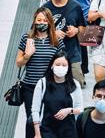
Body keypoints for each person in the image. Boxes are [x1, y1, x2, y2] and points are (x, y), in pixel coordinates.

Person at [16, 7, 65, 138]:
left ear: (49, 22)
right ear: (34, 21)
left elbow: (63, 61)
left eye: (45, 20)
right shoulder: (27, 38)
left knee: (48, 117)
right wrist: (27, 55)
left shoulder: (56, 41)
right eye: (39, 20)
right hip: (30, 86)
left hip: (49, 87)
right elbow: (18, 63)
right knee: (32, 118)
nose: (41, 22)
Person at [43, 0, 88, 86]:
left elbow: (83, 29)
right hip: (51, 54)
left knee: (77, 84)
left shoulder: (75, 6)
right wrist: (53, 33)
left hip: (72, 53)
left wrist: (76, 30)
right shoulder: (45, 9)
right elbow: (36, 31)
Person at [31, 51, 84, 138]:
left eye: (64, 65)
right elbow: (35, 110)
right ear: (52, 66)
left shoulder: (75, 84)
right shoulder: (42, 83)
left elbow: (80, 108)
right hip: (47, 129)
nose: (60, 67)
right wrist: (37, 133)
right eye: (58, 64)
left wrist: (69, 110)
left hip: (69, 131)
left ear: (68, 68)